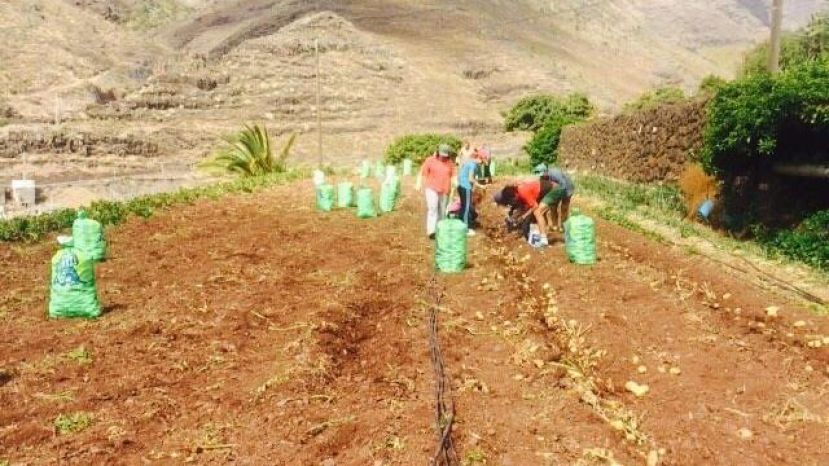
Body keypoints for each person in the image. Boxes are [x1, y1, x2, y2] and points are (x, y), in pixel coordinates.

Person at [493, 177, 560, 246]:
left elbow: (534, 207)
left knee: (537, 213)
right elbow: (523, 208)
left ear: (515, 195)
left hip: (553, 190)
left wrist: (523, 217)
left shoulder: (523, 192)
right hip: (542, 193)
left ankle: (543, 239)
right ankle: (540, 234)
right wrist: (513, 218)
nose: (513, 202)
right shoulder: (518, 193)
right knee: (532, 215)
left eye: (513, 200)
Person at [417, 144, 456, 239]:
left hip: (445, 189)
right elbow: (422, 173)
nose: (444, 157)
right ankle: (431, 231)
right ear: (438, 152)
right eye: (442, 155)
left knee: (442, 211)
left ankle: (440, 230)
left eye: (445, 155)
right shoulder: (430, 160)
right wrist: (418, 183)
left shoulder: (450, 163)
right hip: (432, 188)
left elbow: (454, 175)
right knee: (433, 208)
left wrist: (456, 182)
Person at [533, 163, 575, 232]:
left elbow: (563, 185)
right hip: (556, 189)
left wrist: (554, 196)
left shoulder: (555, 174)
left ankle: (562, 227)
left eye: (542, 175)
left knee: (564, 208)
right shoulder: (544, 177)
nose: (541, 177)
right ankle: (554, 225)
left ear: (545, 171)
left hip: (567, 189)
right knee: (553, 207)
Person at [457, 150, 484, 235]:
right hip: (466, 187)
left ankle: (460, 225)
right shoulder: (473, 165)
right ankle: (466, 228)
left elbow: (461, 175)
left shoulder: (468, 163)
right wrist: (481, 186)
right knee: (467, 208)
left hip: (461, 186)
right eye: (482, 160)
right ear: (478, 158)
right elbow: (470, 179)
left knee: (463, 206)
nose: (482, 163)